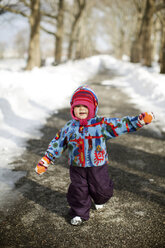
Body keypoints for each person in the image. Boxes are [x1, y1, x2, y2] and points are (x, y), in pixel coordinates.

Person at [35, 86, 154, 226]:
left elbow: (119, 125)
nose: (81, 109)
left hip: (98, 165)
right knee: (78, 190)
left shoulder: (101, 124)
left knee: (102, 189)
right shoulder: (69, 127)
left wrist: (138, 121)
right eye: (77, 106)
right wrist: (47, 159)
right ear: (72, 109)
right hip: (77, 166)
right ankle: (79, 212)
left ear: (93, 107)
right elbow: (58, 143)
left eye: (85, 106)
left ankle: (100, 199)